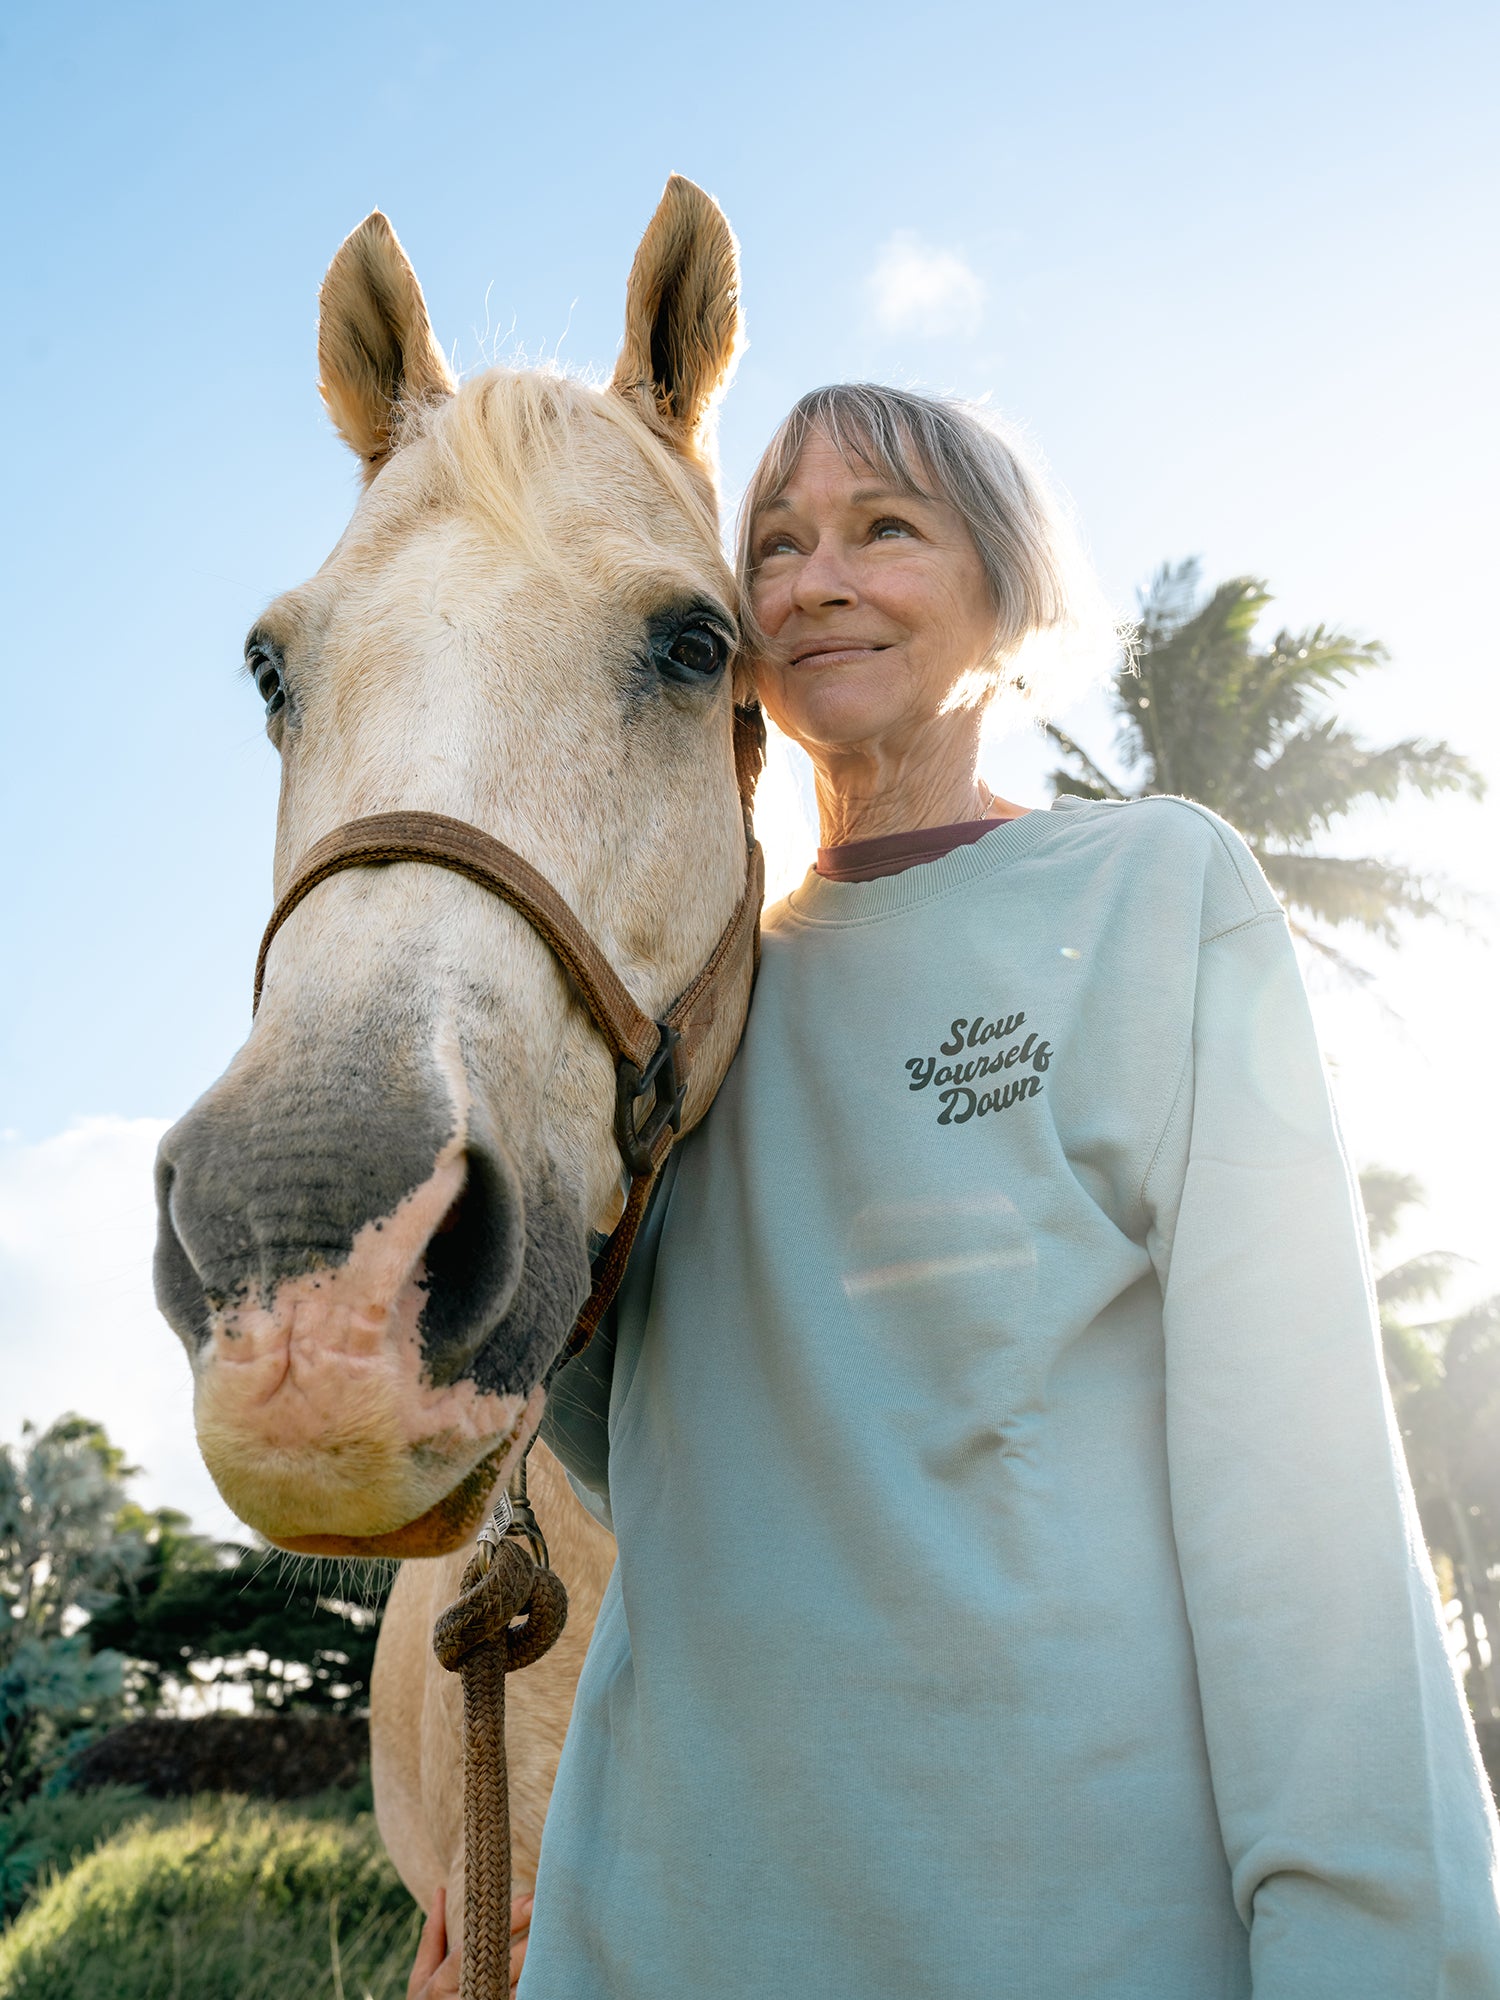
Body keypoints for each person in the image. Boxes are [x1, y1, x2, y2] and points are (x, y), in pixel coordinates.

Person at [480, 385, 1500, 1996]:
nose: (818, 580)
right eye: (777, 544)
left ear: (1012, 593)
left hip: (1077, 1919)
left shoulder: (1158, 892)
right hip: (680, 1914)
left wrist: (1374, 1952)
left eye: (887, 529)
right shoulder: (679, 996)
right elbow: (636, 1441)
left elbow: (1296, 1489)